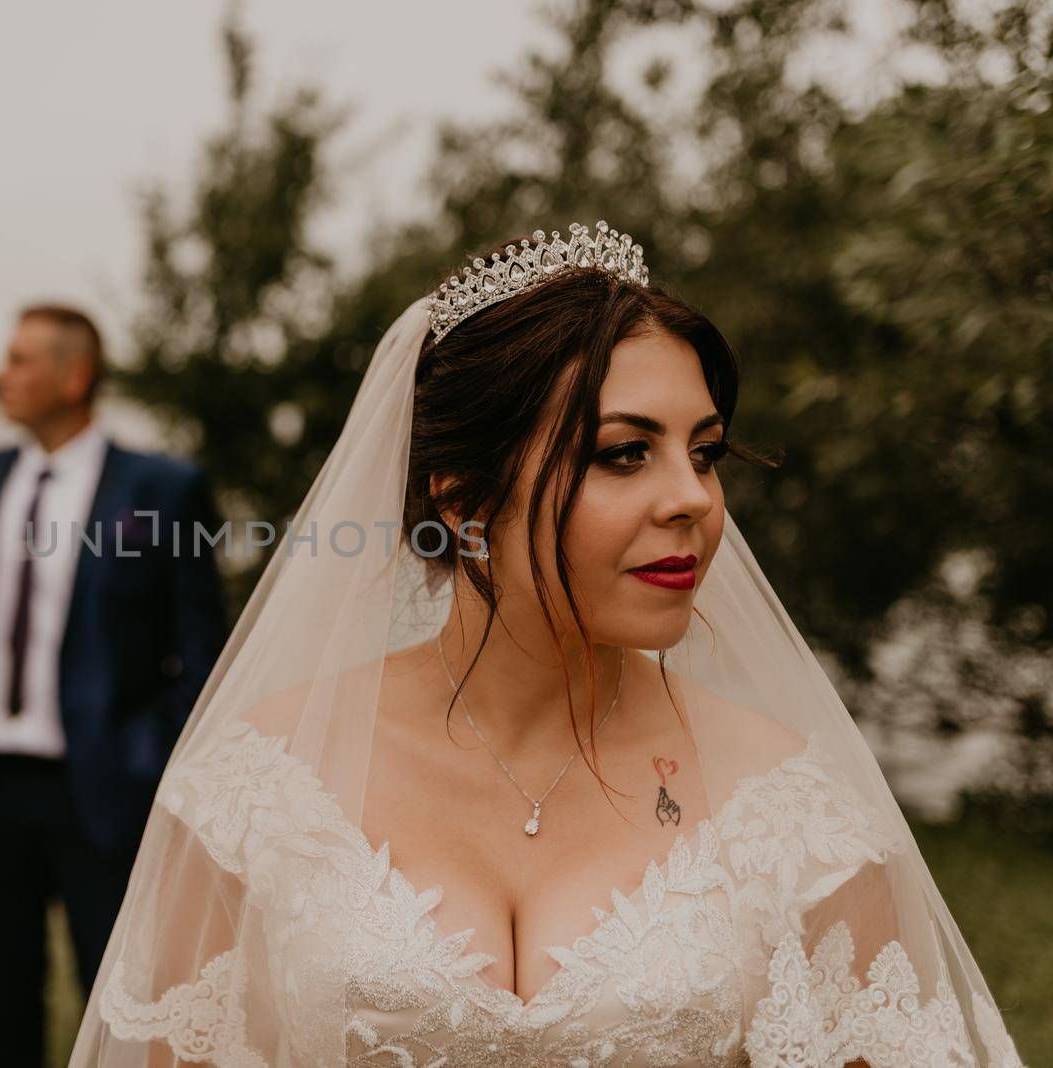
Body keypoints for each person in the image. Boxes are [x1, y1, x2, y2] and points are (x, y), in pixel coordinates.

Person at [69, 224, 1026, 1066]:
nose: (692, 498)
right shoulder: (262, 783)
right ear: (460, 494)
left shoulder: (795, 809)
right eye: (623, 453)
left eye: (704, 452)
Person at [0, 303, 231, 1067]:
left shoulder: (164, 491)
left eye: (19, 360)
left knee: (118, 1019)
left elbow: (201, 655)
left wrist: (154, 765)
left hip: (102, 794)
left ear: (75, 376)